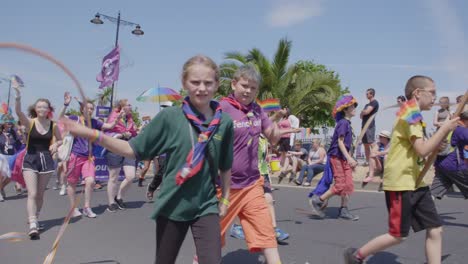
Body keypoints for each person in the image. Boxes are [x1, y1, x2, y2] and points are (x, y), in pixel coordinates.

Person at [62, 55, 233, 264]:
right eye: (195, 82)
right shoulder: (169, 117)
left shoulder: (224, 122)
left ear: (217, 84)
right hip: (173, 204)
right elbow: (132, 149)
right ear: (184, 83)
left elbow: (225, 165)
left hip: (206, 205)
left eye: (208, 83)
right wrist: (94, 135)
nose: (201, 88)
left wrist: (225, 198)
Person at [344, 75, 460, 264]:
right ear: (418, 93)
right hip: (400, 183)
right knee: (397, 235)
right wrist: (444, 128)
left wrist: (436, 143)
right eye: (432, 93)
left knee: (436, 229)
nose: (435, 98)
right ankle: (356, 256)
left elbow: (420, 151)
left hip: (416, 181)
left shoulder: (415, 115)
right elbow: (422, 149)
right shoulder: (410, 115)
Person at [218, 65, 298, 264]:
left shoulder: (257, 109)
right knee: (210, 240)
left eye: (253, 88)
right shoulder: (222, 108)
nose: (248, 91)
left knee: (267, 235)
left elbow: (271, 135)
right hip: (224, 188)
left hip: (253, 184)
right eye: (244, 85)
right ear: (234, 84)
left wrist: (279, 132)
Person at [13, 80, 62, 240]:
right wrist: (18, 95)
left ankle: (35, 216)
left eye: (44, 107)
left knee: (40, 194)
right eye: (39, 106)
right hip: (31, 158)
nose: (42, 109)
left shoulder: (53, 125)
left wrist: (56, 145)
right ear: (36, 109)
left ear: (48, 110)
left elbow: (61, 139)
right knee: (32, 193)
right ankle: (33, 224)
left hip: (46, 161)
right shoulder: (30, 122)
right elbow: (19, 113)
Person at [60, 92, 122, 218]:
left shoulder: (94, 122)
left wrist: (118, 118)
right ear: (82, 109)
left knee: (90, 181)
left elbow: (109, 126)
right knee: (71, 183)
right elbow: (60, 118)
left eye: (92, 108)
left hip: (88, 158)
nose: (90, 110)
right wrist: (65, 104)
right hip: (75, 156)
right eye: (87, 108)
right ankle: (73, 208)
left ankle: (87, 207)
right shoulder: (75, 119)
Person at [230, 134, 290, 243]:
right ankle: (236, 227)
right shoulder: (250, 133)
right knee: (243, 202)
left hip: (263, 173)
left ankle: (274, 229)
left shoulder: (264, 137)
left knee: (269, 200)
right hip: (249, 174)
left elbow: (275, 131)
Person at [309, 94, 359, 221]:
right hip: (337, 157)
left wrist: (350, 158)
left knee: (348, 185)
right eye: (352, 106)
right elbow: (340, 143)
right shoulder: (343, 123)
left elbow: (347, 145)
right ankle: (318, 200)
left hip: (344, 158)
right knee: (340, 185)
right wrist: (349, 158)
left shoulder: (347, 124)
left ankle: (343, 209)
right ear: (346, 109)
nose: (354, 108)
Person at [104, 99, 138, 212]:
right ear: (122, 107)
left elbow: (133, 133)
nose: (131, 106)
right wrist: (120, 134)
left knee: (131, 176)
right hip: (115, 147)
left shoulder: (130, 118)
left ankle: (119, 196)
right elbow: (106, 132)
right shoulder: (113, 116)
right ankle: (111, 202)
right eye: (129, 104)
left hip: (128, 147)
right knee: (113, 177)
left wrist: (136, 133)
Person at [431, 110, 468, 200]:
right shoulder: (460, 129)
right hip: (455, 165)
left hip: (441, 164)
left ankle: (416, 211)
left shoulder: (447, 128)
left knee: (433, 193)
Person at [0, 116, 23, 201]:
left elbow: (21, 142)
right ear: (3, 123)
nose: (9, 123)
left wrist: (22, 133)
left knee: (10, 176)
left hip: (11, 156)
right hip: (1, 156)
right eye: (7, 122)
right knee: (1, 175)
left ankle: (1, 187)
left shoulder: (13, 132)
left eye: (11, 122)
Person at [360, 88, 379, 165]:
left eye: (367, 94)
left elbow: (367, 111)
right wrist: (363, 112)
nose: (366, 95)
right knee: (365, 144)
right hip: (364, 125)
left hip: (370, 125)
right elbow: (361, 116)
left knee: (371, 143)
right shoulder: (366, 105)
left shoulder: (374, 102)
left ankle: (377, 161)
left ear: (372, 94)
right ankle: (368, 161)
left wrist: (363, 112)